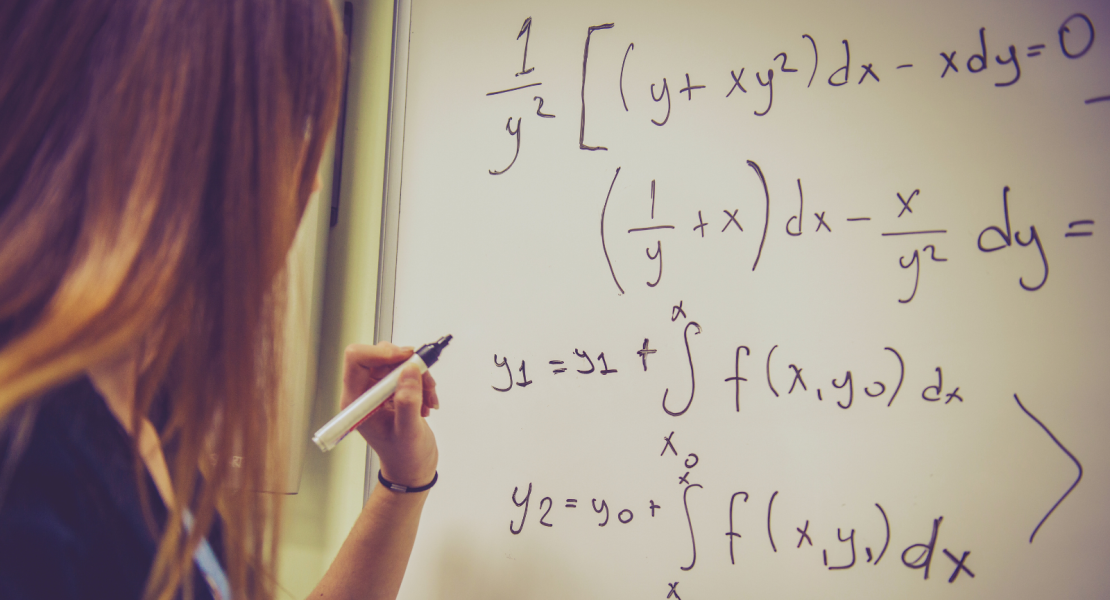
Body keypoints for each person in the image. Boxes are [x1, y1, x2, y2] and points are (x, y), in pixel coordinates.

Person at [0, 1, 439, 599]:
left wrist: (402, 483)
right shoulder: (27, 465)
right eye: (296, 125)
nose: (310, 180)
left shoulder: (144, 413)